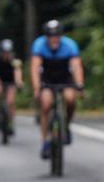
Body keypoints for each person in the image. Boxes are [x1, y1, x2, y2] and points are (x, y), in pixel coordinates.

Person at [30, 20, 84, 159]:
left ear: (61, 36)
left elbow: (77, 66)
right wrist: (36, 88)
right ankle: (45, 140)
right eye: (50, 36)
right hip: (47, 79)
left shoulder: (70, 45)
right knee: (46, 104)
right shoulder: (39, 44)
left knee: (70, 99)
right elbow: (35, 68)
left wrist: (79, 84)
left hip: (64, 78)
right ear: (46, 36)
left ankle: (66, 126)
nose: (54, 39)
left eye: (57, 35)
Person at [0, 39, 23, 135]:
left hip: (10, 81)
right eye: (4, 52)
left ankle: (11, 123)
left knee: (10, 102)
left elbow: (17, 70)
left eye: (8, 52)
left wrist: (18, 81)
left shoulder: (15, 59)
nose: (6, 54)